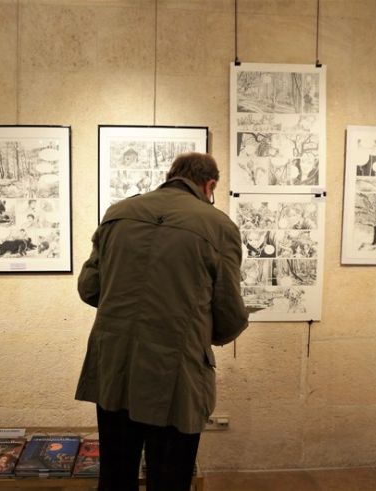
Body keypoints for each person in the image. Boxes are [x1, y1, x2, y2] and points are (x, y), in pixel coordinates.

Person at [75, 152, 249, 491]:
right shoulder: (219, 226)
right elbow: (229, 313)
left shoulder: (118, 213)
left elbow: (89, 288)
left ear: (171, 175)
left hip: (114, 366)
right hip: (176, 373)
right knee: (170, 477)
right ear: (209, 185)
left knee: (115, 476)